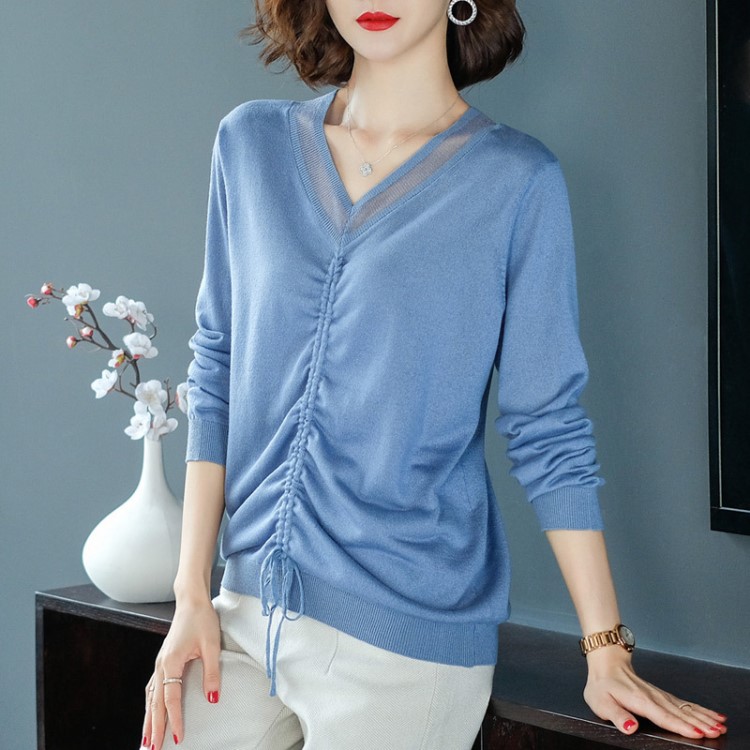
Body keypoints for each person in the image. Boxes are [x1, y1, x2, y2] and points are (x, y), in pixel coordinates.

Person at [141, 1, 728, 748]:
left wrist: (605, 649)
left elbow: (547, 426)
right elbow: (218, 364)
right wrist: (191, 593)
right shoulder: (250, 144)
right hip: (239, 622)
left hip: (406, 650)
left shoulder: (515, 181)